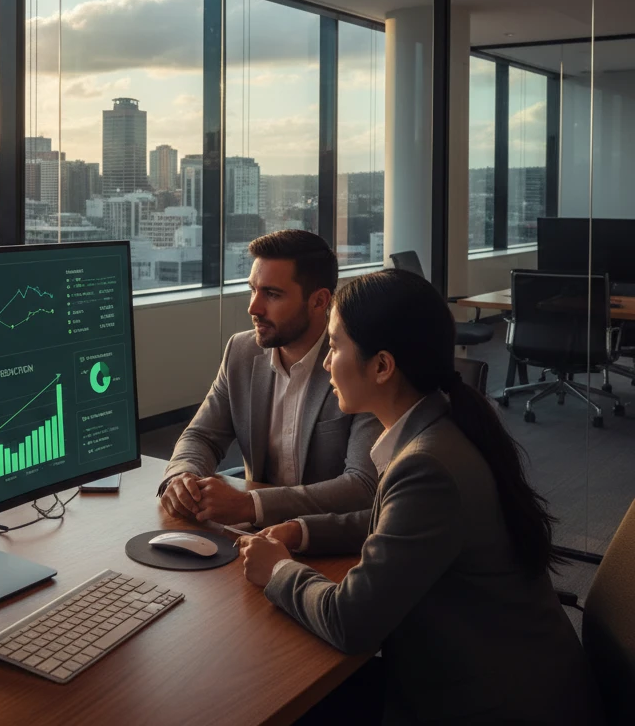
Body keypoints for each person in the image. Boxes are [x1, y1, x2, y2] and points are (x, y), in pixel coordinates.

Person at [238, 269, 602, 726]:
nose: (327, 363)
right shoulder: (442, 424)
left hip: (487, 703)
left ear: (383, 366)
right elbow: (393, 524)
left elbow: (351, 623)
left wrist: (277, 569)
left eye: (333, 347)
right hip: (506, 674)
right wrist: (303, 531)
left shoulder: (427, 465)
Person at [159, 230, 382, 528]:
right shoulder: (240, 351)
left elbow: (361, 485)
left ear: (319, 301)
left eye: (272, 294)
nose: (254, 308)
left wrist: (253, 505)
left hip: (331, 538)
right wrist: (182, 476)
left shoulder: (355, 364)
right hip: (254, 536)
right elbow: (202, 436)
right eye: (253, 290)